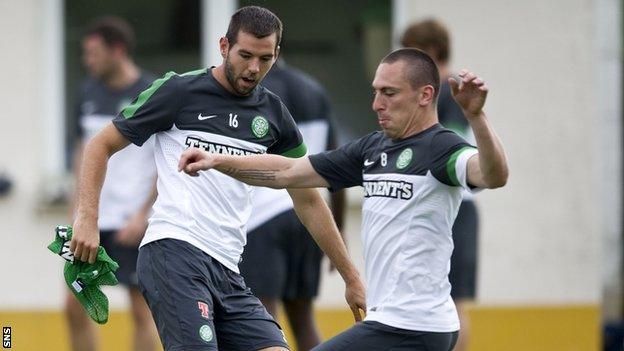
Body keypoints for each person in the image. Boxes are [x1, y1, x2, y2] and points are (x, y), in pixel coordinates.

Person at [70, 6, 366, 351]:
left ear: (277, 55)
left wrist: (352, 276)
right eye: (245, 55)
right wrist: (87, 218)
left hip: (228, 268)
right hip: (174, 254)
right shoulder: (178, 91)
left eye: (265, 58)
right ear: (224, 46)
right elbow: (99, 145)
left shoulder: (274, 113)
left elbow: (309, 198)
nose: (254, 68)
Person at [178, 48, 509, 351]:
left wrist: (477, 118)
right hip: (396, 324)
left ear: (425, 95)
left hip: (412, 325)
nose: (377, 103)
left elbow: (493, 175)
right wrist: (217, 160)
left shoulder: (442, 148)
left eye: (389, 93)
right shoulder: (373, 149)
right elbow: (287, 172)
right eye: (376, 92)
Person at [240, 59, 345, 351]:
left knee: (263, 322)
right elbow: (335, 165)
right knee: (303, 320)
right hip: (309, 216)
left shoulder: (255, 91)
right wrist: (337, 230)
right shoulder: (315, 89)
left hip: (262, 217)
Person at [67, 17, 158, 351]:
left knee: (142, 311)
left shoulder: (152, 93)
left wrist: (144, 214)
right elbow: (81, 153)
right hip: (91, 219)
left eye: (92, 52)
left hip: (133, 221)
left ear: (117, 50)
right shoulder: (86, 93)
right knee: (74, 305)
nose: (86, 60)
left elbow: (167, 164)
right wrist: (76, 210)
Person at [401, 19, 480, 351]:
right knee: (445, 303)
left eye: (412, 54)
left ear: (431, 51)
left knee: (452, 304)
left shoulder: (445, 92)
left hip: (454, 209)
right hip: (453, 209)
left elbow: (449, 152)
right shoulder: (446, 90)